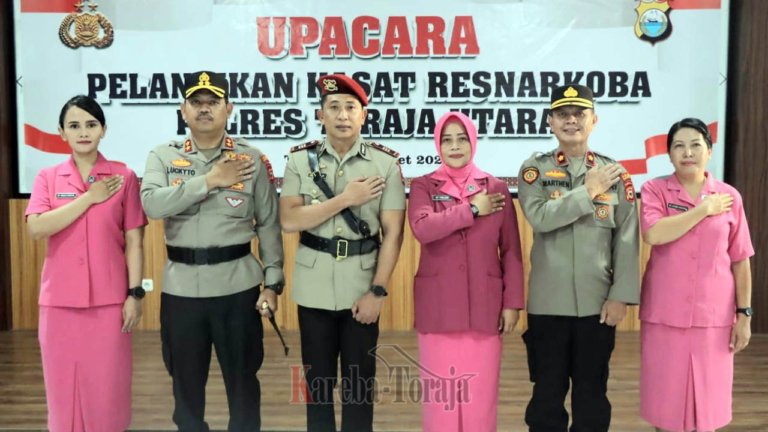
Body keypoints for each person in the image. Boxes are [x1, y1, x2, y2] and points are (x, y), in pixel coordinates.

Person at [140, 71, 284, 432]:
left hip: (238, 288)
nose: (204, 109)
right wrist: (209, 180)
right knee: (185, 386)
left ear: (228, 108)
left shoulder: (251, 159)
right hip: (182, 290)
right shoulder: (162, 155)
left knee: (243, 384)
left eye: (213, 102)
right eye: (196, 103)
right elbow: (152, 205)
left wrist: (272, 284)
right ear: (183, 110)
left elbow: (268, 224)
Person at [280, 73, 406, 432]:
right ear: (320, 115)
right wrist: (346, 200)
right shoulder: (299, 162)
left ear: (363, 115)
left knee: (359, 386)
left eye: (351, 107)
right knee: (317, 386)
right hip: (313, 286)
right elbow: (289, 220)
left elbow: (393, 233)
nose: (342, 115)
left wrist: (378, 291)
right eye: (333, 107)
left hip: (361, 286)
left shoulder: (385, 164)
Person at [517, 84, 640, 432]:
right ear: (550, 122)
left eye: (579, 113)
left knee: (592, 395)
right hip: (547, 304)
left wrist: (621, 296)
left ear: (594, 120)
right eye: (562, 114)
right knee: (546, 396)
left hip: (597, 305)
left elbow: (627, 239)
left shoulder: (616, 174)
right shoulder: (534, 170)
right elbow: (540, 217)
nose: (571, 120)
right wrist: (587, 190)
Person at [25, 95, 147, 432]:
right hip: (58, 304)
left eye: (91, 124)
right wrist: (88, 199)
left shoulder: (123, 176)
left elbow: (135, 241)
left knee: (109, 390)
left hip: (109, 303)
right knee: (62, 391)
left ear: (103, 130)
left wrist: (135, 294)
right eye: (74, 125)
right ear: (61, 132)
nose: (83, 132)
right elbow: (36, 227)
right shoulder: (48, 177)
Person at [408, 111, 524, 431]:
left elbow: (511, 250)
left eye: (461, 138)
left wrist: (512, 303)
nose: (455, 146)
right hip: (438, 308)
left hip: (484, 308)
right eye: (447, 139)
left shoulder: (496, 187)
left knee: (479, 399)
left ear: (473, 141)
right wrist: (472, 209)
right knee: (441, 400)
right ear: (437, 144)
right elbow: (423, 228)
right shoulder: (423, 186)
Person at [639, 118, 754, 432]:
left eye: (695, 145)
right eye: (678, 146)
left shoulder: (729, 196)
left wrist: (744, 314)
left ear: (709, 150)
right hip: (665, 314)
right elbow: (654, 233)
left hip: (713, 317)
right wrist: (703, 209)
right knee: (666, 407)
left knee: (708, 407)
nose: (687, 152)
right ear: (669, 155)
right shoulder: (655, 190)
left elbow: (741, 259)